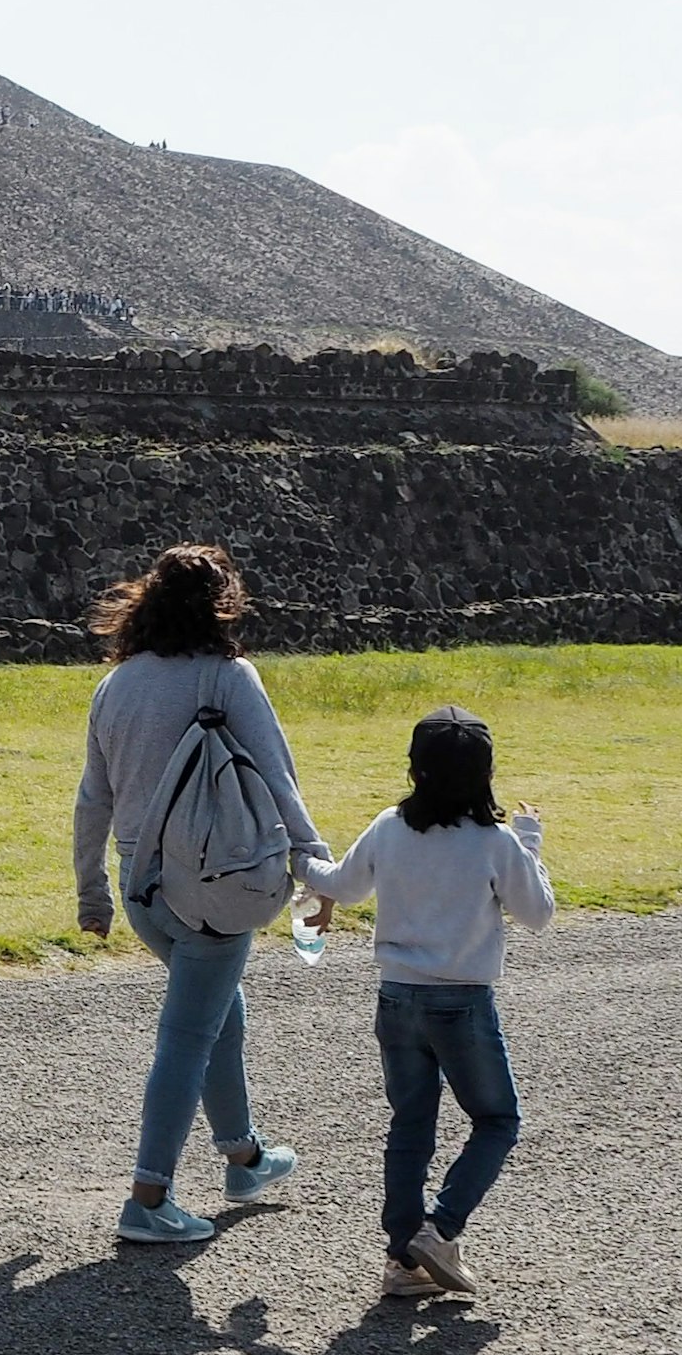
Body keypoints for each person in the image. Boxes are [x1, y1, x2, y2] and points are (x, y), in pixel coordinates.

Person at [73, 544, 330, 1244]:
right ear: (222, 604)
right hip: (213, 887)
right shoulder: (228, 677)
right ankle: (148, 1199)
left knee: (221, 1009)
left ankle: (245, 1157)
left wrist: (91, 894)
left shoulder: (116, 685)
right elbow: (280, 779)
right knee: (187, 1037)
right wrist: (317, 868)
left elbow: (92, 799)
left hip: (142, 893)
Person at [298, 708, 554, 1302]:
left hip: (396, 997)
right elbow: (538, 915)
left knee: (411, 1126)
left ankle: (401, 1260)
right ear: (485, 774)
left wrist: (300, 857)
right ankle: (441, 1229)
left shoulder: (390, 826)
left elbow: (341, 884)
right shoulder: (496, 841)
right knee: (496, 1120)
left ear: (414, 770)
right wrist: (532, 840)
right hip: (461, 1002)